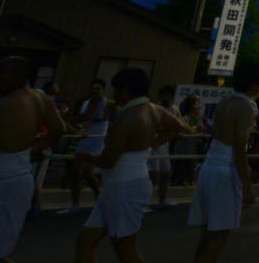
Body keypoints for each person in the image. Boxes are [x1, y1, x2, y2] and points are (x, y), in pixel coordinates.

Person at [0, 57, 64, 263]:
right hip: (15, 173)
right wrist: (36, 149)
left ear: (18, 77)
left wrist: (34, 150)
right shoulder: (41, 100)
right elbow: (58, 129)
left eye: (1, 73)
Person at [76, 67, 185, 263]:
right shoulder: (154, 110)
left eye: (116, 90)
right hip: (124, 184)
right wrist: (154, 142)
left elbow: (108, 160)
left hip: (123, 186)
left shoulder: (126, 117)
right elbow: (179, 127)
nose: (113, 95)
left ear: (125, 91)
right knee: (86, 241)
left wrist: (85, 157)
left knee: (124, 249)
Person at [189, 61, 259, 263]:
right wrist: (247, 187)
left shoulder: (225, 102)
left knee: (207, 231)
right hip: (225, 171)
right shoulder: (247, 107)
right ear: (253, 83)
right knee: (220, 234)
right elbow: (239, 149)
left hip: (209, 166)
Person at [63, 78, 112, 214]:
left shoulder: (108, 104)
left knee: (84, 171)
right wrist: (70, 122)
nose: (95, 91)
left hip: (97, 141)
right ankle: (77, 203)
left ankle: (94, 201)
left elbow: (102, 118)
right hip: (84, 139)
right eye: (93, 88)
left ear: (103, 90)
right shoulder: (86, 103)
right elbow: (80, 117)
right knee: (81, 172)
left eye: (98, 88)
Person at [147, 85, 180, 210]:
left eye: (167, 95)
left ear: (171, 96)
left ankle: (163, 200)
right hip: (154, 144)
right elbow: (153, 125)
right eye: (162, 95)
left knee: (166, 173)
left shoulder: (175, 109)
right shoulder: (155, 108)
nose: (165, 98)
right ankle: (144, 202)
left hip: (165, 144)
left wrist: (182, 132)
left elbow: (180, 123)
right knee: (153, 175)